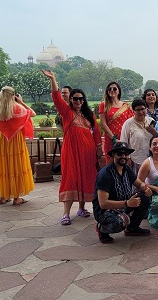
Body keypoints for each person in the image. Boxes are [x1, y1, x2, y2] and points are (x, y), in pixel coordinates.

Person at [42, 70, 103, 225]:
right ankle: (66, 214)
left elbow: (96, 133)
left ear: (84, 100)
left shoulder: (89, 114)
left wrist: (99, 148)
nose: (78, 101)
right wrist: (53, 79)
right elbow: (56, 96)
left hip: (88, 153)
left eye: (80, 99)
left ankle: (81, 208)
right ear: (70, 100)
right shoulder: (66, 112)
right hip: (71, 152)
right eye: (75, 99)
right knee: (70, 179)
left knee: (86, 179)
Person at [93, 142, 153, 243]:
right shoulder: (105, 174)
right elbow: (103, 204)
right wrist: (127, 203)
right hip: (105, 211)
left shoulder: (126, 169)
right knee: (119, 222)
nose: (123, 156)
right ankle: (102, 229)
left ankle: (132, 228)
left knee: (145, 198)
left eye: (126, 154)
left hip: (123, 204)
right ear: (113, 155)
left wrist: (145, 188)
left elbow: (139, 184)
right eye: (120, 154)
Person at [0, 86, 35, 206]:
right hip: (16, 139)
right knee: (16, 165)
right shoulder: (17, 108)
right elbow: (33, 114)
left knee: (5, 166)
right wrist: (21, 101)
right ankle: (16, 198)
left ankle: (3, 197)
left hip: (3, 140)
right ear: (13, 96)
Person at [99, 82, 133, 164]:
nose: (112, 90)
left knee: (124, 163)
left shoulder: (126, 106)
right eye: (109, 89)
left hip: (124, 138)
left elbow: (131, 124)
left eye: (114, 89)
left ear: (119, 91)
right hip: (110, 139)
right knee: (111, 164)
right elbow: (103, 124)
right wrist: (114, 139)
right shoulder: (104, 105)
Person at [120, 99, 158, 173]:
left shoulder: (151, 121)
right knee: (136, 182)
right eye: (138, 110)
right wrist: (128, 157)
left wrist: (154, 132)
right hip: (134, 160)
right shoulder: (128, 123)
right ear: (133, 111)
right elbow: (123, 142)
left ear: (146, 109)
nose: (141, 112)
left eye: (142, 109)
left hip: (150, 159)